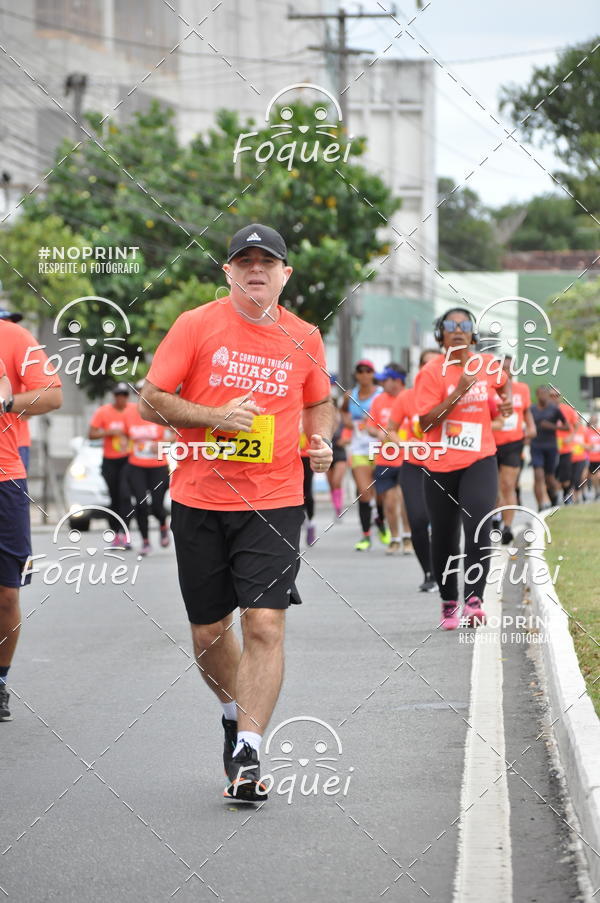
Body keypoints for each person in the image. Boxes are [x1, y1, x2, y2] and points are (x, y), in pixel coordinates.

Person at [139, 224, 333, 802]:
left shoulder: (305, 336)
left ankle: (248, 749)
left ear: (284, 274)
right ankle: (232, 713)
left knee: (264, 623)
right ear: (227, 271)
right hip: (199, 498)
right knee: (208, 631)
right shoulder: (196, 325)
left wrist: (321, 440)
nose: (255, 270)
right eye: (244, 261)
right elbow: (151, 400)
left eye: (266, 262)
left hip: (274, 500)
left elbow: (319, 401)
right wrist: (214, 416)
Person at [414, 309, 512, 630]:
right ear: (440, 335)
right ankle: (448, 601)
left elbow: (504, 383)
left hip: (480, 458)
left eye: (465, 325)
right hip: (440, 462)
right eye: (450, 325)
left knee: (479, 525)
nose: (458, 330)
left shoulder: (487, 364)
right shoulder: (431, 372)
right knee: (444, 536)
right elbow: (425, 422)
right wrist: (458, 392)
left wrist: (506, 401)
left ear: (473, 334)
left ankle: (474, 600)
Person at [0, 318, 62, 722]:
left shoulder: (13, 336)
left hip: (5, 477)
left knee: (7, 594)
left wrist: (6, 402)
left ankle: (0, 679)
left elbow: (53, 395)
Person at [387, 348, 439, 590]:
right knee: (418, 520)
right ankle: (429, 572)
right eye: (426, 364)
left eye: (437, 364)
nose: (432, 369)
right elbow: (391, 429)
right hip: (414, 465)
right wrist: (401, 443)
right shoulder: (407, 397)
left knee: (443, 523)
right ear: (420, 369)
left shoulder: (452, 395)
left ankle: (444, 570)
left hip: (446, 466)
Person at [342, 360, 387, 551]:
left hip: (379, 448)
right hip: (359, 448)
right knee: (364, 492)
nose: (364, 374)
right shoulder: (350, 395)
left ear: (373, 373)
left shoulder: (381, 394)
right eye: (360, 371)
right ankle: (366, 535)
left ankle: (382, 524)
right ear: (356, 374)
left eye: (368, 371)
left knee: (380, 493)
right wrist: (348, 423)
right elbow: (343, 412)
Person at [123, 386, 174, 556]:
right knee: (140, 503)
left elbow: (176, 434)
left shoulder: (161, 411)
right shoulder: (129, 413)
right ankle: (145, 541)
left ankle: (162, 525)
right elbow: (123, 435)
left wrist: (162, 444)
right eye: (138, 391)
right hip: (136, 466)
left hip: (158, 466)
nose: (141, 394)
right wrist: (124, 443)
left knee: (157, 506)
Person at [490, 355, 536, 544]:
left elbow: (526, 412)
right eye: (502, 368)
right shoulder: (488, 389)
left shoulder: (522, 389)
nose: (506, 372)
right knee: (493, 487)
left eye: (509, 368)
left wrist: (531, 427)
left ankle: (507, 527)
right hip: (490, 443)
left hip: (513, 443)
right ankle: (495, 516)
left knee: (508, 484)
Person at [89, 382, 136, 548]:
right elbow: (91, 434)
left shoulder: (134, 410)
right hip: (110, 461)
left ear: (128, 397)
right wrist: (110, 432)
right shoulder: (103, 411)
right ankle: (116, 533)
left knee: (125, 496)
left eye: (124, 395)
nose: (121, 398)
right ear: (114, 396)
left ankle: (125, 532)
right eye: (118, 395)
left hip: (128, 459)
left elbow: (143, 429)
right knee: (114, 497)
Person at [367, 364, 407, 555]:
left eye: (387, 379)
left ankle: (408, 537)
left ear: (398, 381)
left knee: (405, 501)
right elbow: (370, 426)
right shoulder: (379, 400)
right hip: (385, 460)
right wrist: (378, 433)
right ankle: (395, 538)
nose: (383, 383)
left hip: (408, 459)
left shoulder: (410, 398)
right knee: (390, 503)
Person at [529, 385, 566, 511]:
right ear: (537, 395)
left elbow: (567, 427)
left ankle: (554, 498)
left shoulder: (554, 409)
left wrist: (552, 426)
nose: (543, 396)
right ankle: (540, 505)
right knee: (538, 476)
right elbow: (527, 424)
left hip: (551, 447)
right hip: (536, 446)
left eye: (545, 394)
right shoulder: (531, 409)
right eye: (541, 394)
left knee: (549, 478)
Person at [549, 386, 577, 503]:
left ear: (560, 397)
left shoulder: (567, 410)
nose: (554, 398)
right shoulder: (544, 410)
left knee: (565, 476)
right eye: (551, 396)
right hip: (550, 448)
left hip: (565, 449)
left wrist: (571, 436)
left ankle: (566, 496)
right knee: (551, 476)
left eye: (556, 395)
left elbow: (575, 425)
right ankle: (553, 499)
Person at [326, 400, 349, 518]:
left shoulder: (342, 422)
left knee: (336, 481)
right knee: (331, 484)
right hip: (328, 454)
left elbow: (350, 435)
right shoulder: (324, 424)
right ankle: (336, 507)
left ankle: (339, 508)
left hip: (340, 454)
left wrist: (345, 441)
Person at [569, 415, 588, 503]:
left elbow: (589, 445)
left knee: (578, 477)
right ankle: (572, 496)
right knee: (572, 478)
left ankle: (577, 496)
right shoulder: (570, 429)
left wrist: (583, 445)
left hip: (581, 458)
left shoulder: (583, 430)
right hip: (570, 458)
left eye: (578, 419)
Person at [585, 415, 600, 499]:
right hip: (591, 459)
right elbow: (583, 444)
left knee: (598, 476)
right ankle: (596, 491)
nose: (594, 423)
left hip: (599, 458)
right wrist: (589, 447)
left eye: (595, 421)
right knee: (594, 477)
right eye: (593, 421)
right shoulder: (587, 432)